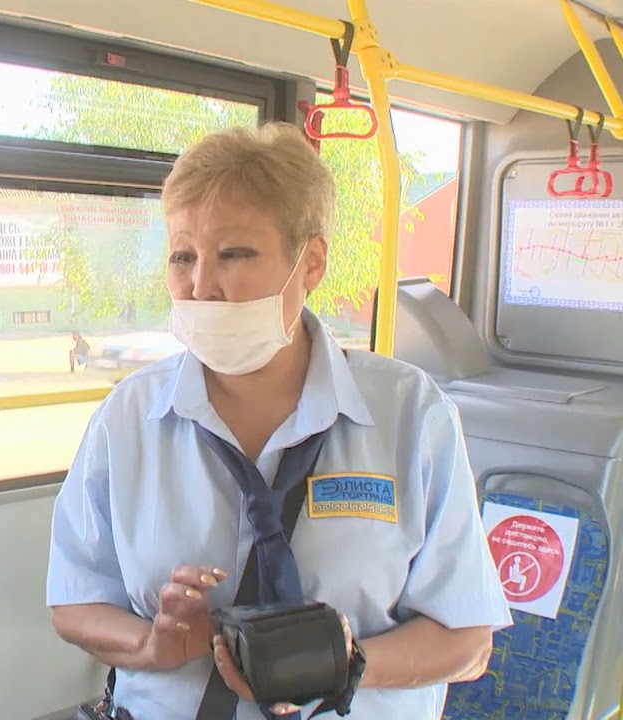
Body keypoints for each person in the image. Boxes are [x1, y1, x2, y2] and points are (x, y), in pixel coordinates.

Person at [45, 122, 512, 720]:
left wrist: (346, 665)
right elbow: (75, 601)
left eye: (234, 254)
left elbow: (467, 639)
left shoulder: (410, 415)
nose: (200, 285)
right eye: (183, 256)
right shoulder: (129, 418)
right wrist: (152, 644)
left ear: (310, 262)